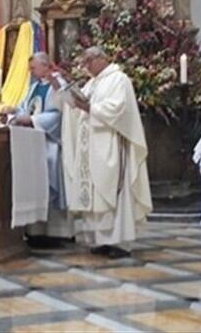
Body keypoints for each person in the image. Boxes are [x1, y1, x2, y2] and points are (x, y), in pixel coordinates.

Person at [56, 47, 152, 259]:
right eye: (84, 61)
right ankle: (99, 240)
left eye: (89, 60)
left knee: (110, 191)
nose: (86, 65)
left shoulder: (119, 79)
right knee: (92, 192)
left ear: (102, 58)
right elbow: (79, 110)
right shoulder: (91, 83)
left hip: (110, 145)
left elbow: (117, 109)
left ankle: (118, 241)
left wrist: (89, 108)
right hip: (89, 147)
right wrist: (71, 103)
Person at [10, 52, 73, 248]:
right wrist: (15, 112)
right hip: (32, 144)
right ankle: (35, 230)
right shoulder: (35, 87)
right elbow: (26, 109)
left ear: (46, 66)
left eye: (33, 68)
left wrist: (32, 120)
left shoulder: (58, 85)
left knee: (50, 177)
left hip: (50, 143)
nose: (31, 71)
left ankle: (56, 232)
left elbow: (60, 114)